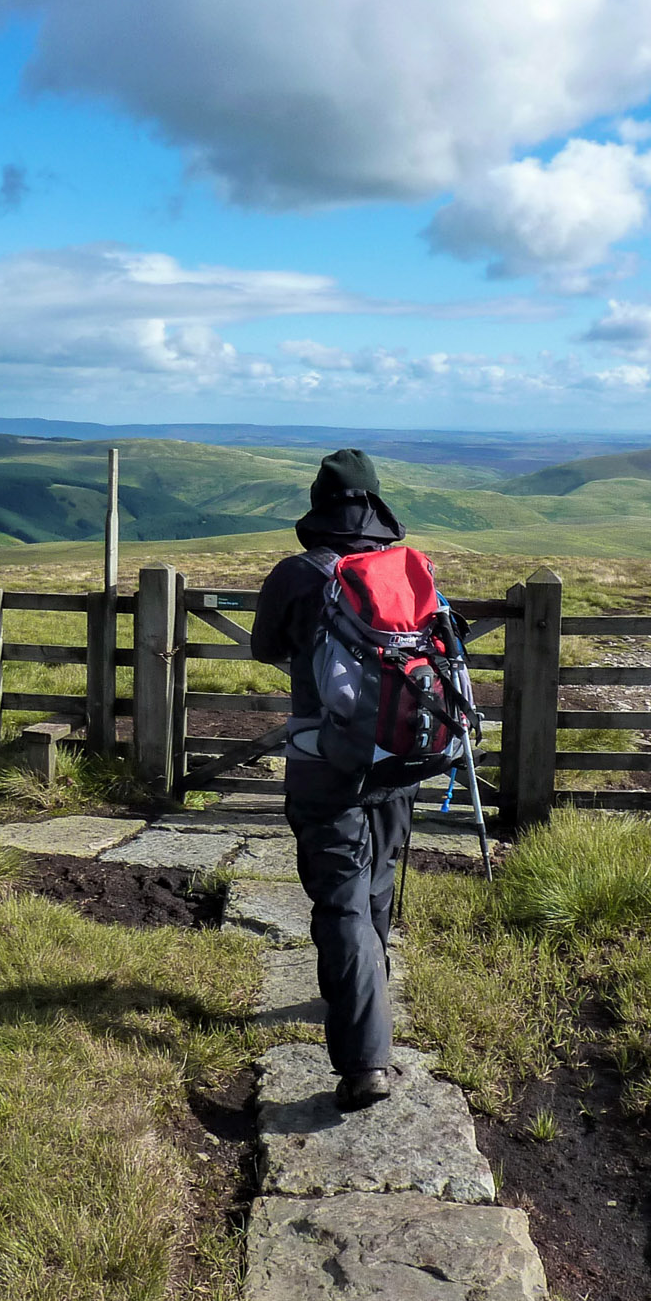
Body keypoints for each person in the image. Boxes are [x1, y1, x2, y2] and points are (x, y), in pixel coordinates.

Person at [250, 449, 414, 1110]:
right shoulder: (406, 569)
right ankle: (366, 993)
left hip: (327, 762)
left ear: (319, 505)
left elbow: (264, 647)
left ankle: (365, 1061)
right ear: (374, 505)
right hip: (404, 756)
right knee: (375, 883)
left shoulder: (297, 574)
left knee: (341, 899)